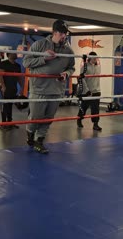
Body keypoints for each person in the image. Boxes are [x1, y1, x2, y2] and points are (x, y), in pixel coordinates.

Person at [23, 19, 75, 154]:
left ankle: (39, 141)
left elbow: (72, 67)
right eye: (61, 33)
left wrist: (67, 73)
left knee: (48, 118)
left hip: (57, 89)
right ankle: (30, 133)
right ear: (54, 32)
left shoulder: (68, 51)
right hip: (39, 89)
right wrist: (43, 58)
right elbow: (26, 62)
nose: (63, 36)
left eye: (65, 33)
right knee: (35, 117)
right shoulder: (39, 45)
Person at [0, 52, 24, 131]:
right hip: (5, 88)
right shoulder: (3, 64)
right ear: (8, 55)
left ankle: (9, 123)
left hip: (13, 88)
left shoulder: (17, 66)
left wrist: (22, 87)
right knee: (5, 106)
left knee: (10, 106)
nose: (15, 54)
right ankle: (3, 124)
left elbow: (19, 77)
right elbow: (0, 75)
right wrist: (3, 86)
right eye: (13, 53)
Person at [76, 51, 102, 131]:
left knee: (96, 109)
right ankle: (79, 119)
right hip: (87, 92)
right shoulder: (85, 67)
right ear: (90, 58)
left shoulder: (98, 67)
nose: (95, 59)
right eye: (94, 58)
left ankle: (95, 124)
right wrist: (86, 90)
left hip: (96, 91)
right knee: (84, 108)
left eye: (96, 58)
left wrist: (98, 89)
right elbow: (81, 79)